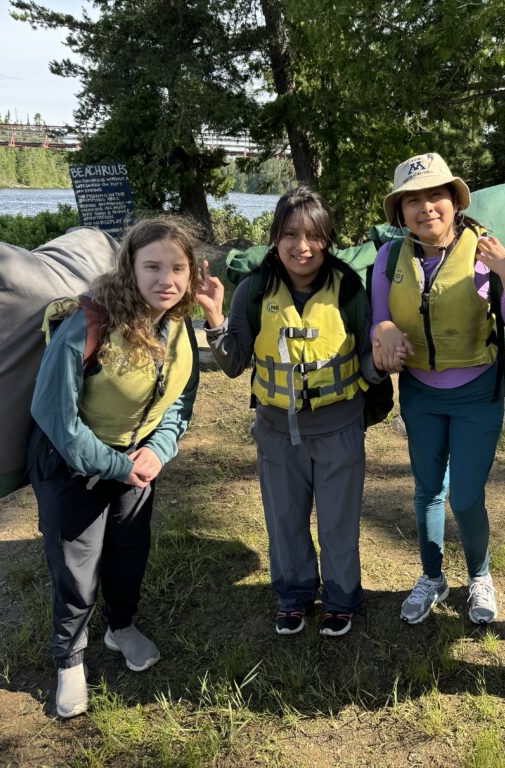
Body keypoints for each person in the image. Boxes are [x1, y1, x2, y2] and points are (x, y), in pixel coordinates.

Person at [29, 217, 201, 719]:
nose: (165, 279)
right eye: (152, 266)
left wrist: (159, 449)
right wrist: (116, 466)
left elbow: (180, 399)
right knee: (76, 567)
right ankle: (70, 658)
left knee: (128, 552)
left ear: (190, 274)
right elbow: (57, 420)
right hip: (72, 466)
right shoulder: (88, 326)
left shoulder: (177, 323)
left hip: (136, 463)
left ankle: (120, 627)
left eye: (177, 267)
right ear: (129, 267)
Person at [198, 187, 383, 639]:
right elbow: (235, 361)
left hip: (339, 428)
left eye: (313, 235)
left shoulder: (350, 290)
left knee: (339, 524)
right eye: (290, 234)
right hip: (276, 432)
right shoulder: (254, 290)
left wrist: (380, 364)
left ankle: (341, 600)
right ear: (275, 238)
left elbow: (365, 361)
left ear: (327, 238)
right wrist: (215, 317)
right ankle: (294, 597)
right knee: (284, 523)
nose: (301, 246)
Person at [372, 152, 505, 625]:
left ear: (455, 201)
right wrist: (381, 330)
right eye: (413, 200)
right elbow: (377, 318)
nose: (426, 207)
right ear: (400, 212)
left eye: (436, 196)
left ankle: (480, 575)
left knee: (465, 496)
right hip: (420, 394)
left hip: (476, 394)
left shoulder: (485, 253)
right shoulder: (389, 258)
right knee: (427, 490)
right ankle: (432, 577)